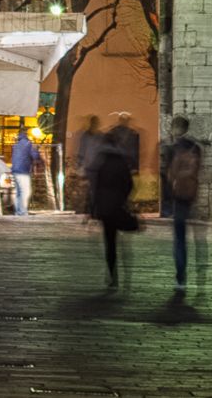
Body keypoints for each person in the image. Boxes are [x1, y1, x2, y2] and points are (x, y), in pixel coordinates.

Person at [88, 130, 136, 290]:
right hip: (118, 205)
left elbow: (94, 186)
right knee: (123, 243)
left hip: (104, 207)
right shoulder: (121, 161)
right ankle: (126, 276)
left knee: (110, 242)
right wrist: (123, 199)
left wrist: (92, 208)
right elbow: (129, 184)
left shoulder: (99, 161)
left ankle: (112, 275)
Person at [163, 115, 204, 293]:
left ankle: (181, 278)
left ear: (174, 128)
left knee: (180, 240)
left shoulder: (171, 148)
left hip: (178, 197)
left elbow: (167, 174)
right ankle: (201, 277)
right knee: (198, 239)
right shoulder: (195, 148)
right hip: (191, 194)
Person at [73, 114, 104, 214]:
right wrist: (79, 165)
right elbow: (82, 151)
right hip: (88, 167)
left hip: (96, 167)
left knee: (94, 190)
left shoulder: (100, 136)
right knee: (88, 190)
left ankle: (93, 209)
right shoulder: (85, 136)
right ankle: (88, 209)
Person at [8, 122, 41, 217]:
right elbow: (35, 155)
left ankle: (18, 211)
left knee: (18, 192)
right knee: (25, 191)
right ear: (27, 134)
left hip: (15, 170)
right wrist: (37, 149)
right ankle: (22, 212)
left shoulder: (16, 144)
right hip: (23, 170)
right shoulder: (28, 143)